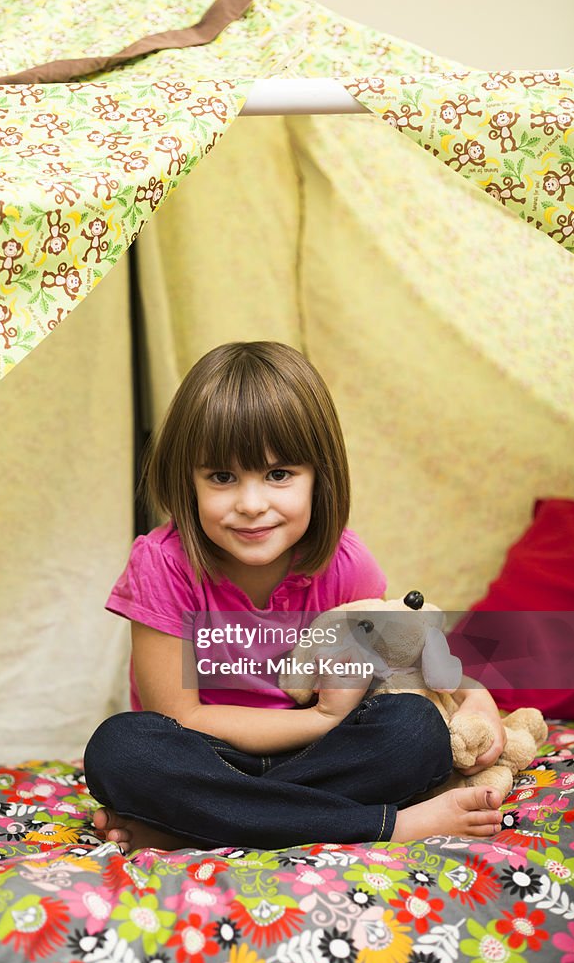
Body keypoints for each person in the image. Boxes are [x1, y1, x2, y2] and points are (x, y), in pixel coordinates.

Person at [84, 341, 505, 854]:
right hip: (209, 759)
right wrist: (318, 718)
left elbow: (403, 657)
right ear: (187, 480)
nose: (252, 504)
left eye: (279, 474)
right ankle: (384, 825)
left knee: (414, 729)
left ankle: (194, 826)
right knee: (120, 748)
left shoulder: (347, 564)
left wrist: (475, 697)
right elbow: (182, 719)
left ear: (318, 478)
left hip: (322, 759)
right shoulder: (162, 564)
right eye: (221, 477)